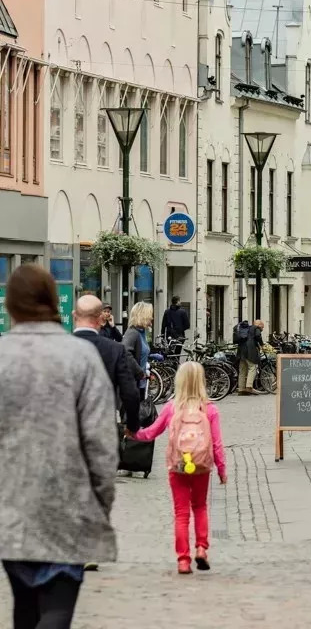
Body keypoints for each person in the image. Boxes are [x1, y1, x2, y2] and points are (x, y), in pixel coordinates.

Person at [0, 264, 117, 625]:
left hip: (11, 506)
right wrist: (100, 502)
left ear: (10, 304)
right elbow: (101, 443)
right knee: (57, 604)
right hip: (68, 503)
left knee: (25, 601)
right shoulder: (80, 357)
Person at [130, 361, 227, 574]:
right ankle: (201, 548)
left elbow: (151, 432)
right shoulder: (209, 408)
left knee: (181, 513)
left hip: (178, 464)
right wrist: (221, 469)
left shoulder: (172, 408)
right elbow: (217, 444)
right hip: (201, 465)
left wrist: (132, 433)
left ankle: (183, 560)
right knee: (200, 507)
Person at [73, 294, 141, 434]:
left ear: (74, 316)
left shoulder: (59, 348)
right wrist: (132, 426)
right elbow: (130, 393)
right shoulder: (115, 350)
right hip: (103, 428)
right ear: (99, 319)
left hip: (68, 430)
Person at [123, 301, 154, 396]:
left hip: (140, 383)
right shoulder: (133, 333)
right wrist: (139, 372)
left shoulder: (142, 332)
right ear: (143, 315)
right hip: (133, 383)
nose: (152, 318)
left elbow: (140, 353)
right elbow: (125, 352)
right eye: (150, 315)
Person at [236, 318, 264, 395]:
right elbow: (258, 336)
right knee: (253, 367)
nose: (262, 329)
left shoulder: (246, 330)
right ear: (259, 325)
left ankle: (241, 389)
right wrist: (262, 344)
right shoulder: (256, 328)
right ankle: (249, 387)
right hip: (249, 351)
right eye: (262, 327)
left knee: (242, 370)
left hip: (241, 351)